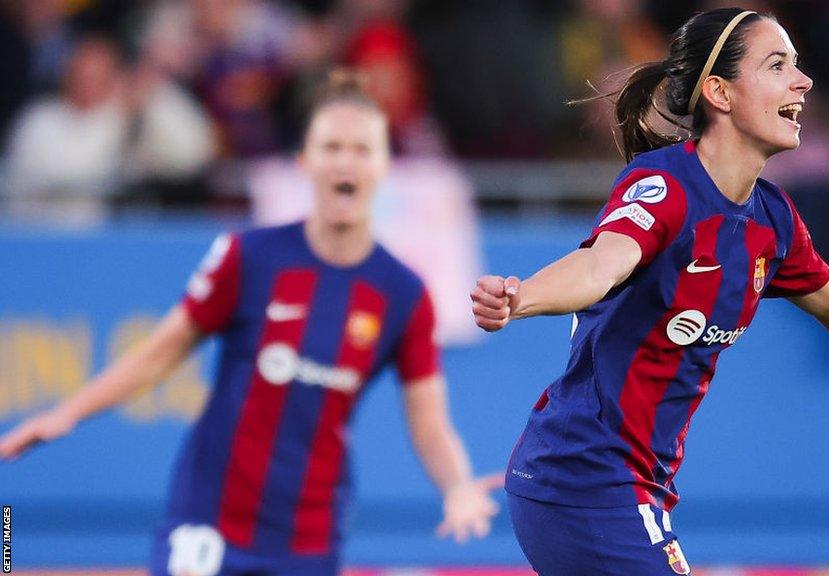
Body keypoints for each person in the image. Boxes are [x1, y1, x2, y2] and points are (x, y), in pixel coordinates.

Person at [470, 8, 829, 576]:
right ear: (719, 93)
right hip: (583, 478)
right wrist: (521, 298)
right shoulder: (665, 186)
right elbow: (600, 266)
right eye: (778, 65)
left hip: (634, 485)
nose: (803, 82)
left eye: (799, 66)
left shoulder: (772, 220)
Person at [1, 70, 500, 576]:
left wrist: (456, 485)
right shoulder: (248, 257)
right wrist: (67, 414)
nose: (346, 161)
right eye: (332, 147)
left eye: (361, 148)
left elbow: (429, 419)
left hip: (309, 535)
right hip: (208, 520)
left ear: (384, 166)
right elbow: (158, 355)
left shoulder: (403, 292)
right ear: (305, 162)